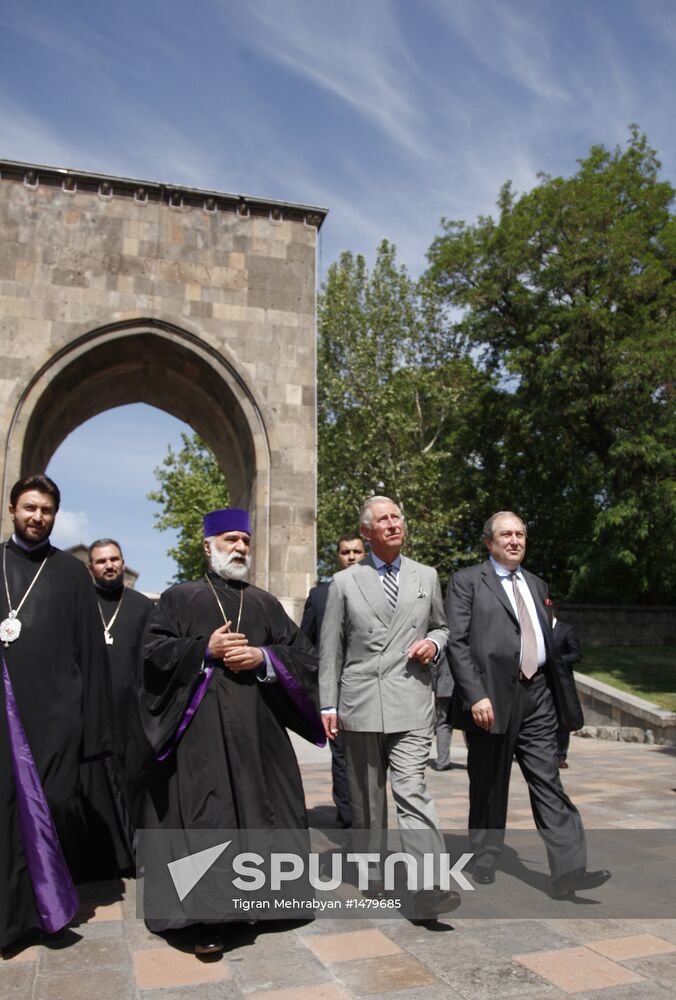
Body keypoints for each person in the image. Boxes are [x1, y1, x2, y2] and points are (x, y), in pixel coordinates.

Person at [141, 507, 323, 956]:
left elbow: (307, 657)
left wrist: (265, 659)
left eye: (245, 540)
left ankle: (272, 903)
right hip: (199, 737)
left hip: (258, 733)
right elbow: (151, 654)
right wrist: (204, 649)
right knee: (209, 818)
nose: (240, 547)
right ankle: (207, 919)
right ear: (208, 546)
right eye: (229, 540)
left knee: (266, 810)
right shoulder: (177, 598)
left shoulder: (264, 603)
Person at [445, 510, 610, 898]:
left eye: (520, 533)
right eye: (506, 534)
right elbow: (457, 642)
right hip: (489, 699)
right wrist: (475, 695)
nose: (515, 540)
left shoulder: (537, 584)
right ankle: (484, 855)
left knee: (548, 780)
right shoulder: (467, 581)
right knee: (488, 782)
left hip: (537, 697)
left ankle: (570, 870)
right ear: (489, 542)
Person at [319, 496, 459, 917]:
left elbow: (443, 625)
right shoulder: (344, 583)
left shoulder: (426, 576)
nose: (394, 524)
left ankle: (430, 884)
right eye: (384, 520)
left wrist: (434, 643)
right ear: (367, 532)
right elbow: (331, 649)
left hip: (412, 699)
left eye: (397, 516)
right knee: (366, 800)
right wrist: (328, 705)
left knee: (412, 789)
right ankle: (372, 869)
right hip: (360, 702)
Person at [0, 474, 113, 953]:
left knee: (54, 811)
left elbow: (91, 653)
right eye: (29, 507)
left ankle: (46, 911)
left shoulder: (69, 573)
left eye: (46, 510)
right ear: (12, 510)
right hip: (6, 715)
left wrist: (94, 735)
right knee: (4, 816)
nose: (37, 517)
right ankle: (10, 918)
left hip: (57, 718)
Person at [87, 539, 154, 832]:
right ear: (91, 567)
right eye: (101, 561)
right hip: (89, 712)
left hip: (132, 714)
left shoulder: (141, 606)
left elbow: (153, 658)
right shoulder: (80, 603)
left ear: (123, 563)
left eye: (114, 559)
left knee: (134, 782)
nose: (109, 565)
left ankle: (133, 849)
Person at [301, 532, 366, 827]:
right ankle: (350, 816)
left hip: (373, 688)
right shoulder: (319, 596)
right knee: (342, 757)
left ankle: (369, 811)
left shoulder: (383, 589)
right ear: (337, 557)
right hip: (336, 693)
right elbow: (304, 644)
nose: (351, 556)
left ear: (366, 554)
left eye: (356, 551)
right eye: (345, 552)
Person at [550, 611, 583, 769]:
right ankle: (550, 754)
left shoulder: (566, 629)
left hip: (562, 682)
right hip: (544, 682)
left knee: (563, 718)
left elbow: (576, 654)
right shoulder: (538, 630)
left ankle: (561, 755)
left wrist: (557, 661)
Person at [429, 652, 455, 771]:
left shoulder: (443, 640)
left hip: (444, 687)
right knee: (469, 725)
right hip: (464, 689)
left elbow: (434, 666)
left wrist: (435, 688)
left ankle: (442, 761)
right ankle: (476, 760)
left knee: (443, 723)